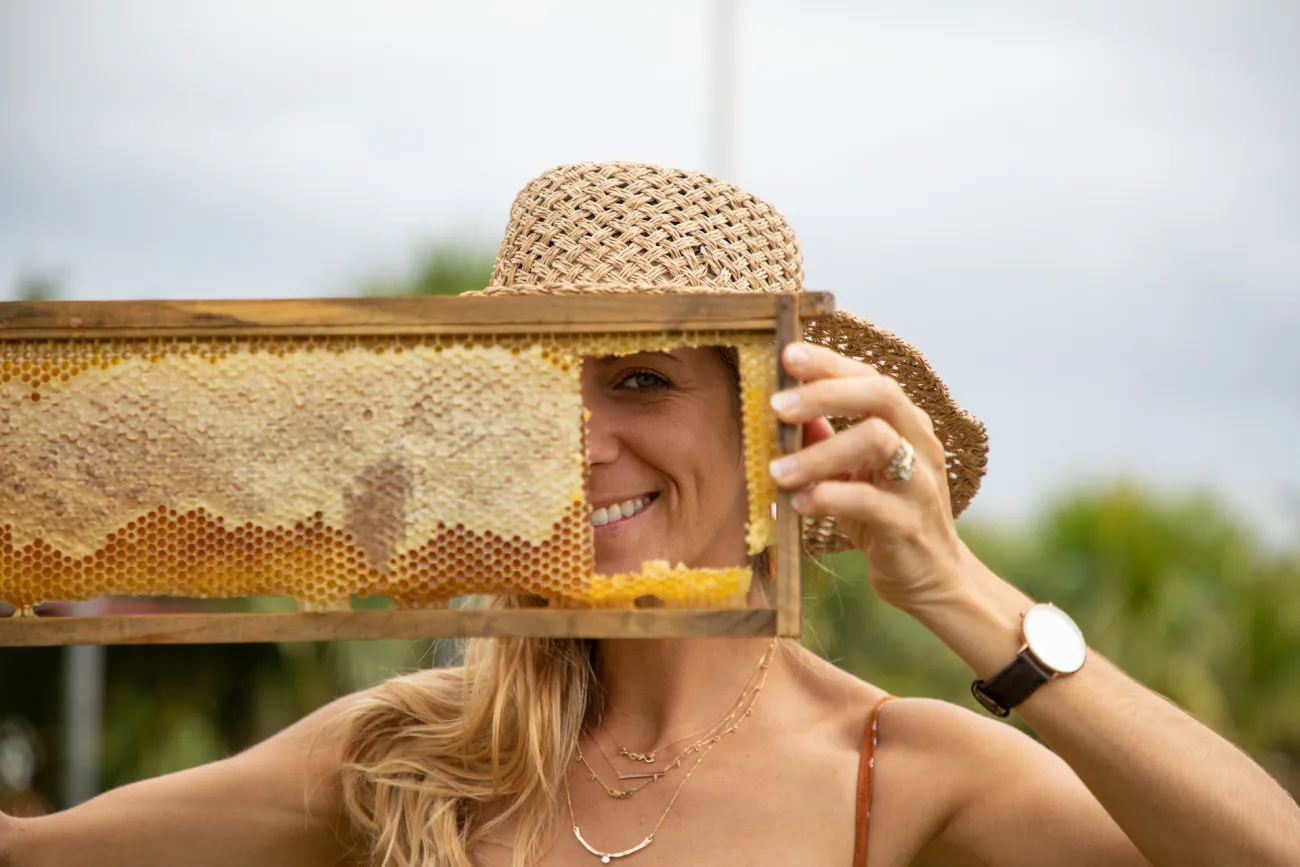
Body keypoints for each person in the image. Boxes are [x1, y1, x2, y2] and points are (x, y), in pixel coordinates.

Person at [1, 162, 1297, 867]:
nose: (577, 437)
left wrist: (962, 595)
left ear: (776, 427)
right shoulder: (405, 756)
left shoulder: (895, 777)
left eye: (637, 380)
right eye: (537, 383)